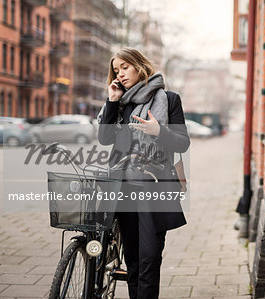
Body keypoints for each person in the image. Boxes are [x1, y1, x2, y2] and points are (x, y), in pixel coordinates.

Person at [97, 47, 190, 298]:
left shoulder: (169, 100)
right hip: (123, 188)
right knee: (134, 261)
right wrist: (112, 101)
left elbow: (182, 143)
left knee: (149, 259)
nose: (120, 74)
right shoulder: (120, 103)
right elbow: (105, 138)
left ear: (139, 66)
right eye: (116, 70)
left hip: (155, 187)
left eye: (125, 67)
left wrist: (159, 131)